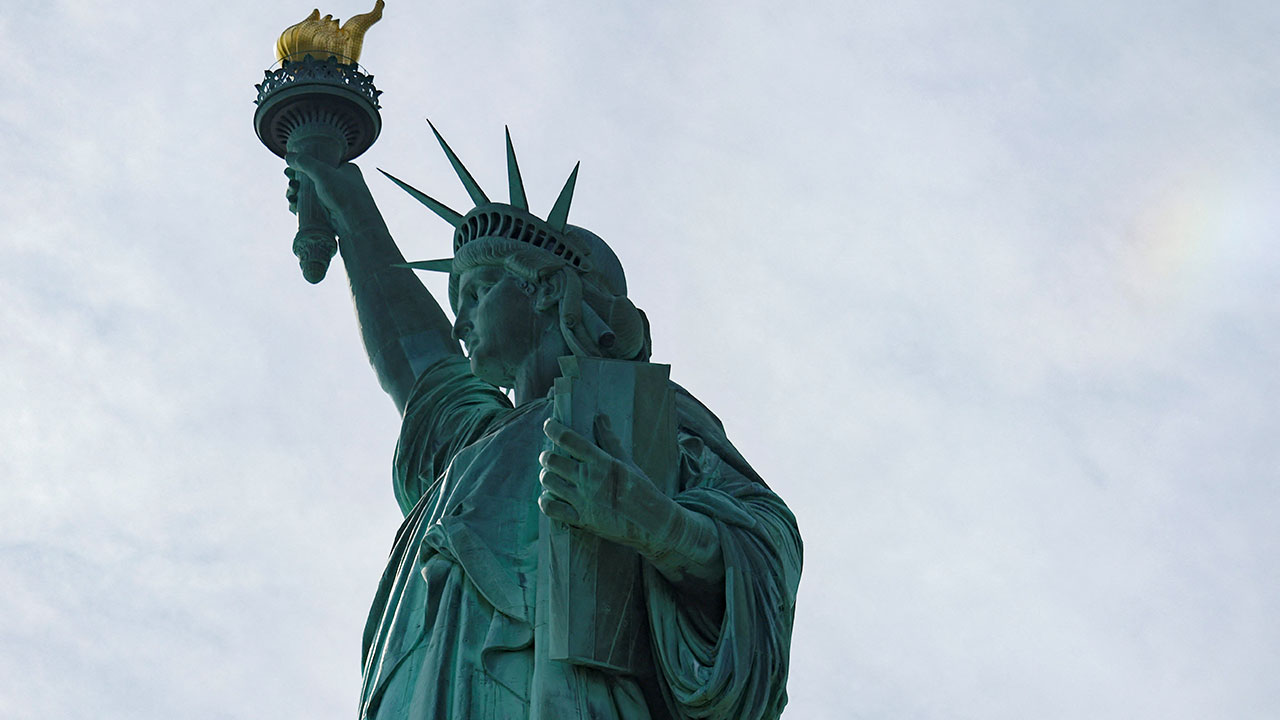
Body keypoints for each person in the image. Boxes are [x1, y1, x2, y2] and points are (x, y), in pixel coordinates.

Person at [284, 123, 802, 720]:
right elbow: (417, 357)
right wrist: (344, 196)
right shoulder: (475, 444)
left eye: (477, 292)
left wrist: (652, 522)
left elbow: (766, 546)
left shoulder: (633, 412)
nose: (461, 323)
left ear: (548, 289)